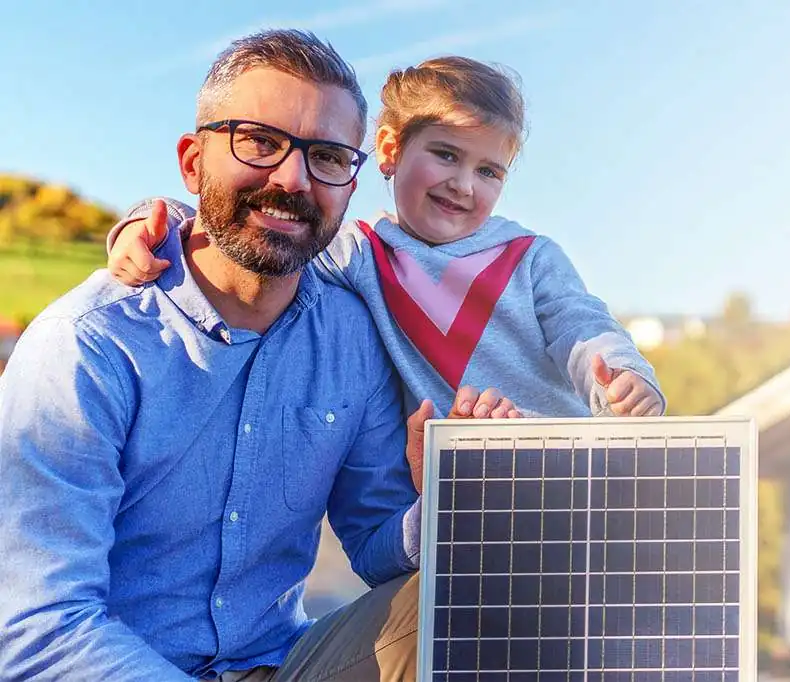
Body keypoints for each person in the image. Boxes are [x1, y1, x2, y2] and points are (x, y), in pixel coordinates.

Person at [0, 30, 520, 681]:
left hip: (284, 664)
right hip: (111, 666)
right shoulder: (86, 347)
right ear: (192, 163)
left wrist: (446, 494)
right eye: (259, 141)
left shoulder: (351, 340)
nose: (292, 179)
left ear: (352, 182)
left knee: (474, 600)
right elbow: (40, 627)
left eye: (327, 155)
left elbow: (378, 550)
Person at [105, 54, 666, 428]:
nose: (463, 184)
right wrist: (147, 223)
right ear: (391, 150)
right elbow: (254, 226)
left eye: (489, 171)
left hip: (557, 464)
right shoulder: (359, 252)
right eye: (445, 154)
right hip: (456, 495)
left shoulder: (531, 257)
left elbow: (582, 325)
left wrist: (621, 376)